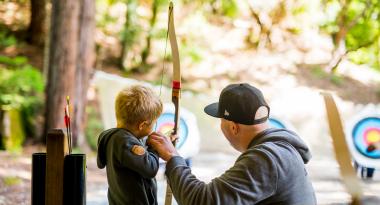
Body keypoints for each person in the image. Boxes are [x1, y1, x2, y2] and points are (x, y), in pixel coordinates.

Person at [148, 83, 317, 205]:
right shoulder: (282, 149)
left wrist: (172, 157)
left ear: (233, 127)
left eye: (221, 121)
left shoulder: (267, 159)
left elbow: (201, 201)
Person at [97, 85, 162, 205]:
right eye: (154, 122)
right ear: (142, 125)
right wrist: (154, 148)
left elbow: (102, 163)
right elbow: (150, 169)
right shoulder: (125, 142)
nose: (155, 125)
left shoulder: (113, 137)